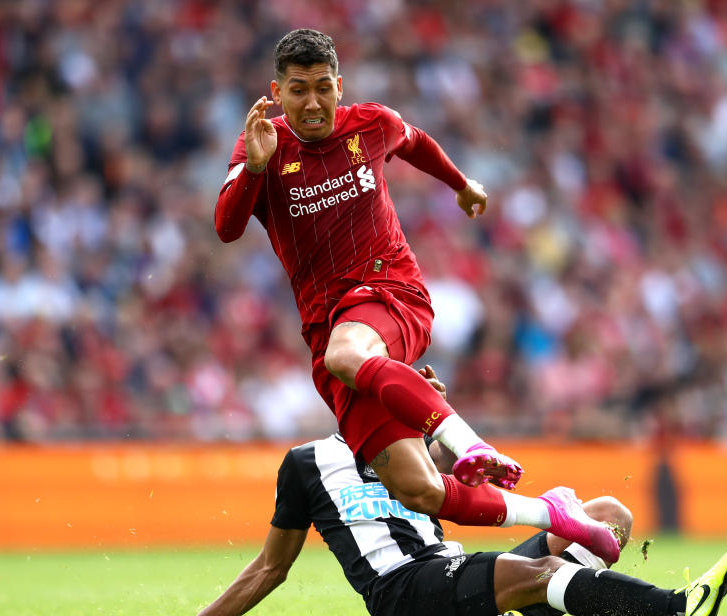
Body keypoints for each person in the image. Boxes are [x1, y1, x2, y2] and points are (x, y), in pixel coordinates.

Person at [213, 28, 618, 563]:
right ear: (277, 91)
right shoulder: (260, 145)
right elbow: (225, 227)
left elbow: (414, 141)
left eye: (322, 87)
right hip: (326, 325)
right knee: (417, 489)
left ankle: (469, 444)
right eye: (298, 89)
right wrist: (258, 170)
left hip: (390, 290)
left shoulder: (370, 124)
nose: (312, 102)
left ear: (339, 85)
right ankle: (555, 513)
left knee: (347, 353)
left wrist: (461, 184)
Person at [140, 369, 727, 616]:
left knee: (610, 513)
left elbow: (460, 473)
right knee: (546, 571)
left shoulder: (417, 445)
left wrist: (432, 410)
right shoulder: (306, 464)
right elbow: (271, 566)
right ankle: (680, 611)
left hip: (448, 568)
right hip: (403, 595)